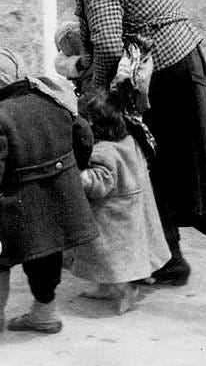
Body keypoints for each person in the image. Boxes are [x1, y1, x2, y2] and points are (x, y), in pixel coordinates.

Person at [50, 0, 206, 286]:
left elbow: (109, 49)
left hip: (163, 80)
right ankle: (165, 257)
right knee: (159, 167)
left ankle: (163, 260)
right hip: (180, 71)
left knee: (147, 166)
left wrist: (94, 99)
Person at [0, 47, 99, 336]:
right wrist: (72, 171)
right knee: (46, 255)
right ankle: (44, 313)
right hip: (59, 195)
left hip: (14, 202)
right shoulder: (50, 97)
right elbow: (84, 133)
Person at [64, 89, 171, 314]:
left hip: (113, 218)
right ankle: (105, 287)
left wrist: (77, 176)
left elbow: (100, 182)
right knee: (108, 259)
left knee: (114, 259)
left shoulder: (102, 152)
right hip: (131, 209)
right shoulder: (129, 139)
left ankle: (127, 289)